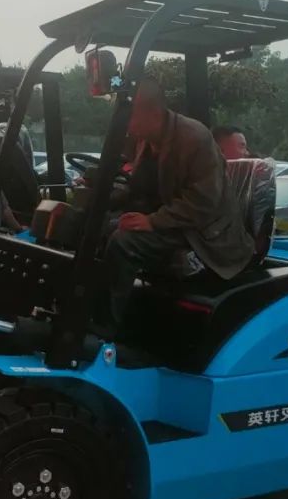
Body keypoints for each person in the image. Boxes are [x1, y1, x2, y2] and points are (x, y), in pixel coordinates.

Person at [105, 79, 253, 327]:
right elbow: (139, 187)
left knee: (122, 243)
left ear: (153, 114)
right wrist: (105, 199)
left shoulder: (194, 138)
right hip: (172, 221)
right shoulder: (146, 140)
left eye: (131, 117)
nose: (127, 125)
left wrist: (152, 221)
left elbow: (204, 201)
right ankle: (89, 314)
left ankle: (109, 329)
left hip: (204, 232)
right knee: (96, 229)